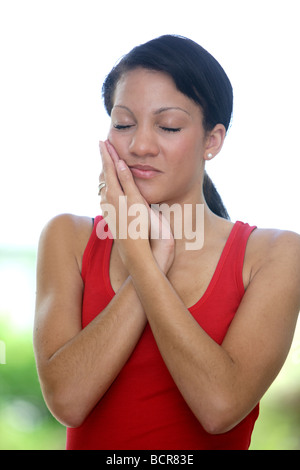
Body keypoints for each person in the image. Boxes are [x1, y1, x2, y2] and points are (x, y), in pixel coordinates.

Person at [33, 35, 300, 450]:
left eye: (168, 126)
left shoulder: (275, 254)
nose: (139, 146)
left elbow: (219, 407)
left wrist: (140, 257)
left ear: (212, 141)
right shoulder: (67, 237)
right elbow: (67, 401)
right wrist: (153, 256)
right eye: (123, 124)